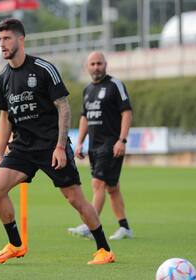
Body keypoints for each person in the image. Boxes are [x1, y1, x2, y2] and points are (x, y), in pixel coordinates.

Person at [0, 19, 115, 265]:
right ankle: (15, 245)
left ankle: (104, 250)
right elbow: (5, 118)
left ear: (20, 39)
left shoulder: (44, 69)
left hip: (50, 145)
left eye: (7, 39)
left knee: (75, 199)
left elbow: (63, 107)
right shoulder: (2, 79)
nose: (2, 44)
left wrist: (59, 146)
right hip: (22, 147)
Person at [68, 51, 133, 241]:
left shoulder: (115, 85)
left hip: (111, 144)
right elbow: (85, 117)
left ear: (106, 64)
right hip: (94, 146)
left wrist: (122, 140)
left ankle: (90, 225)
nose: (96, 67)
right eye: (93, 64)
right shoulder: (88, 90)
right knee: (112, 188)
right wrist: (79, 142)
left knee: (98, 184)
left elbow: (127, 112)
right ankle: (125, 228)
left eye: (99, 63)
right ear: (87, 67)